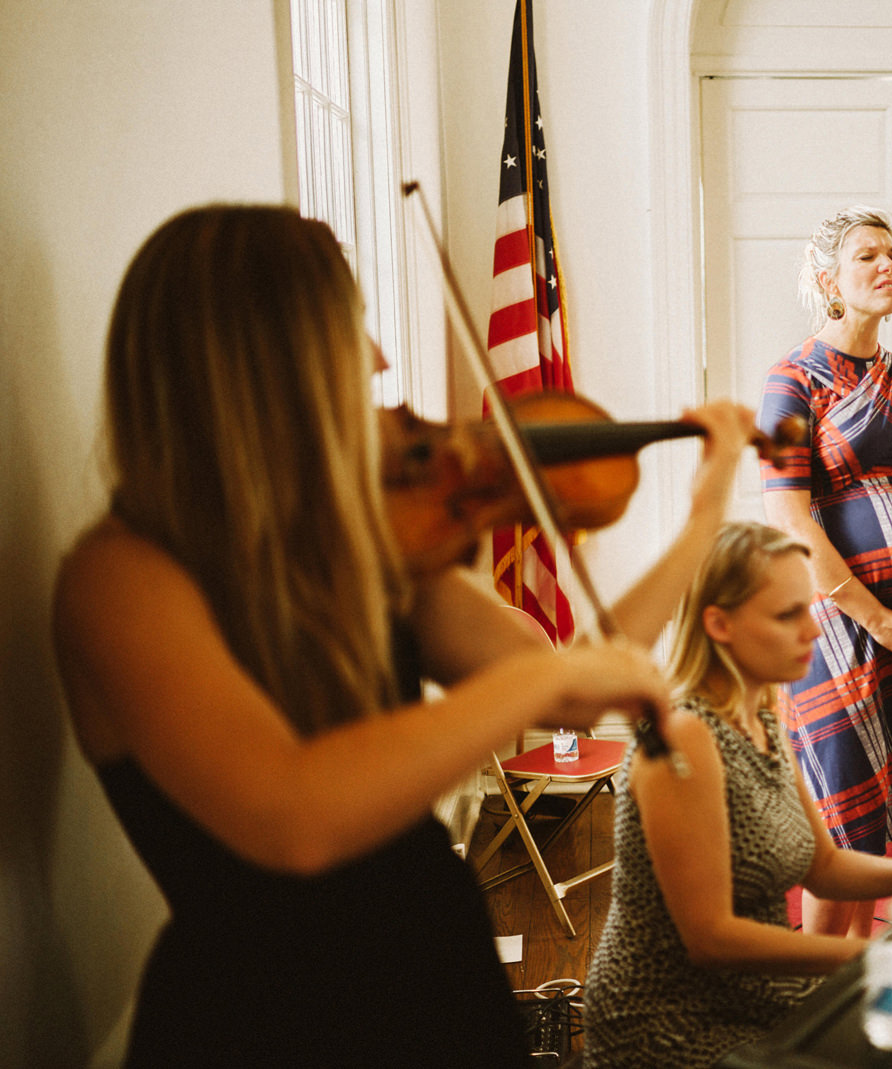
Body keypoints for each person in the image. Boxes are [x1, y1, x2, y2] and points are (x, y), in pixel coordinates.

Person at [51, 204, 755, 1067]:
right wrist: (531, 686)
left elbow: (578, 683)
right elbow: (293, 816)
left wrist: (703, 515)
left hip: (433, 977)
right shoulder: (121, 579)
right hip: (264, 1022)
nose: (381, 359)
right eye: (352, 331)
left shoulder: (356, 541)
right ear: (269, 365)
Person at [583, 522, 892, 1069]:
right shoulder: (683, 735)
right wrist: (870, 958)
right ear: (720, 624)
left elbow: (824, 865)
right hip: (671, 1021)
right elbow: (709, 939)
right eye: (787, 615)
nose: (813, 629)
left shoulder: (760, 715)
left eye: (806, 607)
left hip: (752, 993)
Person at [756, 205, 892, 938]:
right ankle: (817, 983)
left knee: (878, 822)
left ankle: (851, 975)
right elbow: (787, 516)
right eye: (867, 257)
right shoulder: (791, 380)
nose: (888, 267)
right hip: (838, 627)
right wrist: (875, 616)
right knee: (843, 812)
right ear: (829, 281)